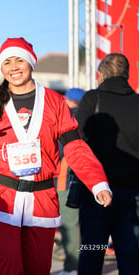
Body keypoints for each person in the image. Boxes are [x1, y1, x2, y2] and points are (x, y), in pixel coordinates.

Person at [0, 37, 112, 275]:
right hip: (1, 199)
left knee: (38, 269)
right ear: (1, 68)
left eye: (19, 60)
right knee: (8, 268)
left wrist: (97, 182)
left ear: (31, 63)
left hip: (42, 203)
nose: (13, 67)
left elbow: (75, 146)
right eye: (7, 62)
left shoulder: (55, 102)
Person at [75, 53, 139, 274]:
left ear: (100, 75)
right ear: (127, 75)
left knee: (92, 253)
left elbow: (77, 139)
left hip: (97, 193)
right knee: (131, 256)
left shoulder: (93, 98)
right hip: (133, 194)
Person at [54, 88, 85, 275]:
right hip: (88, 178)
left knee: (69, 224)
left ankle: (73, 266)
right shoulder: (90, 117)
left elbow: (59, 152)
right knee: (83, 223)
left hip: (66, 178)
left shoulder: (67, 119)